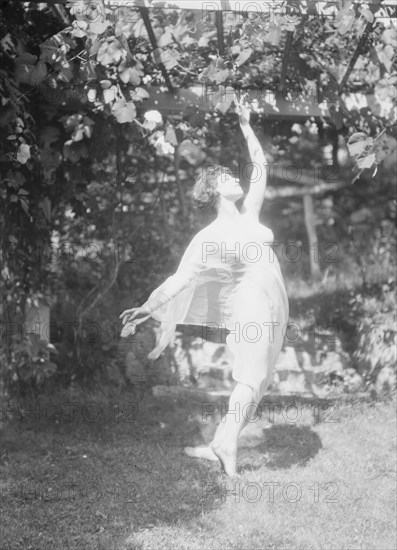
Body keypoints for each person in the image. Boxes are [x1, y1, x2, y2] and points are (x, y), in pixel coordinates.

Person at [120, 95, 289, 477]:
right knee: (253, 375)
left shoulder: (251, 214)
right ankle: (225, 444)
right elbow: (181, 277)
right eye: (228, 178)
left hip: (274, 301)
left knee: (260, 378)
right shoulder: (208, 236)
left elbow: (260, 165)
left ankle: (221, 442)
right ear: (214, 191)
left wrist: (246, 125)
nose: (236, 180)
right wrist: (148, 307)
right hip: (250, 305)